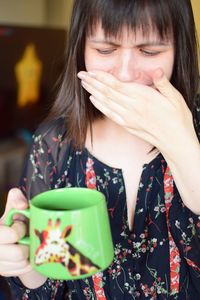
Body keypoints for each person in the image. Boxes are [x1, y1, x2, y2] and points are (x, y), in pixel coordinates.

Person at [0, 0, 200, 299]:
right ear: (81, 50)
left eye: (150, 51)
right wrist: (25, 264)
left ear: (179, 51)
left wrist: (182, 144)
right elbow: (47, 284)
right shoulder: (53, 143)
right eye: (105, 50)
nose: (125, 73)